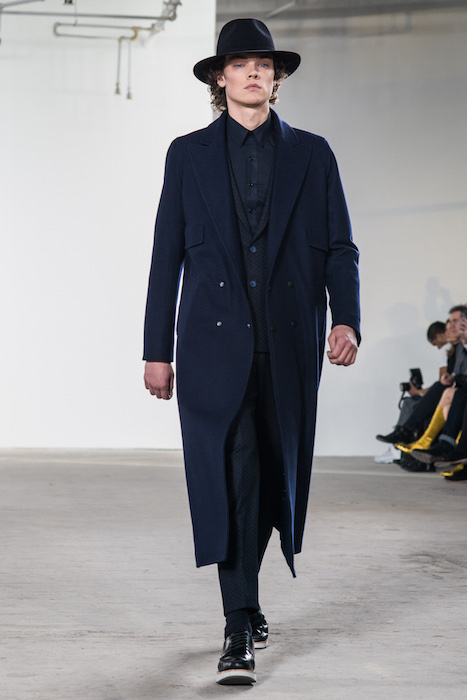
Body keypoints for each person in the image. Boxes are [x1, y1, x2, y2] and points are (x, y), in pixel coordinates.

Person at [143, 18, 360, 686]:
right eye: (239, 64)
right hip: (211, 346)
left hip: (290, 343)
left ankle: (248, 597)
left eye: (263, 64)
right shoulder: (187, 155)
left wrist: (347, 320)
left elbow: (339, 246)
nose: (253, 73)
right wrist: (155, 349)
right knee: (232, 477)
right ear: (220, 77)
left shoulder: (312, 154)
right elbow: (166, 254)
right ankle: (237, 626)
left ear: (276, 77)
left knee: (274, 481)